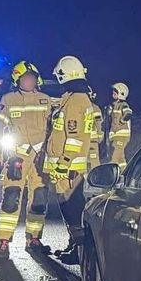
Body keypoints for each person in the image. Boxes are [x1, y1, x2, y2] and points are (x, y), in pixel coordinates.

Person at [0, 61, 53, 260]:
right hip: (17, 156)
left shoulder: (46, 100)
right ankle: (3, 243)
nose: (28, 81)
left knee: (40, 199)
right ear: (17, 80)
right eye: (24, 78)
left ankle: (34, 239)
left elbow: (55, 128)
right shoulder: (8, 100)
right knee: (11, 198)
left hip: (40, 158)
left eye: (31, 78)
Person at [43, 55, 94, 266]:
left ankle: (80, 251)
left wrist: (63, 164)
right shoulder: (76, 98)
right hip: (70, 168)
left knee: (71, 209)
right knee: (71, 208)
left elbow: (74, 137)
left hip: (69, 169)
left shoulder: (75, 101)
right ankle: (75, 246)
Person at [104, 82, 133, 170]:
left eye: (115, 92)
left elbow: (128, 113)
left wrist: (122, 121)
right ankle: (124, 171)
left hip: (121, 135)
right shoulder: (114, 105)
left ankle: (110, 172)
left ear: (121, 93)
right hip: (115, 135)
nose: (113, 94)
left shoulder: (123, 105)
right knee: (120, 158)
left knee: (115, 156)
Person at [87, 89, 104, 170]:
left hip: (86, 140)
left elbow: (98, 123)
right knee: (94, 162)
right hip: (92, 140)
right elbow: (99, 123)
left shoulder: (79, 107)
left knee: (89, 162)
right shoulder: (94, 108)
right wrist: (100, 135)